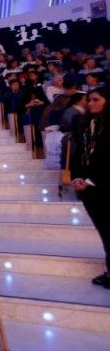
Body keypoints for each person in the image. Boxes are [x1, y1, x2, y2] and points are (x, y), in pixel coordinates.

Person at [69, 87, 110, 287]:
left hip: (103, 186)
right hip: (87, 189)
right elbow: (77, 153)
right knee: (103, 231)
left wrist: (91, 181)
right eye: (89, 100)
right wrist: (76, 177)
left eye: (96, 99)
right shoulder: (84, 124)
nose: (91, 103)